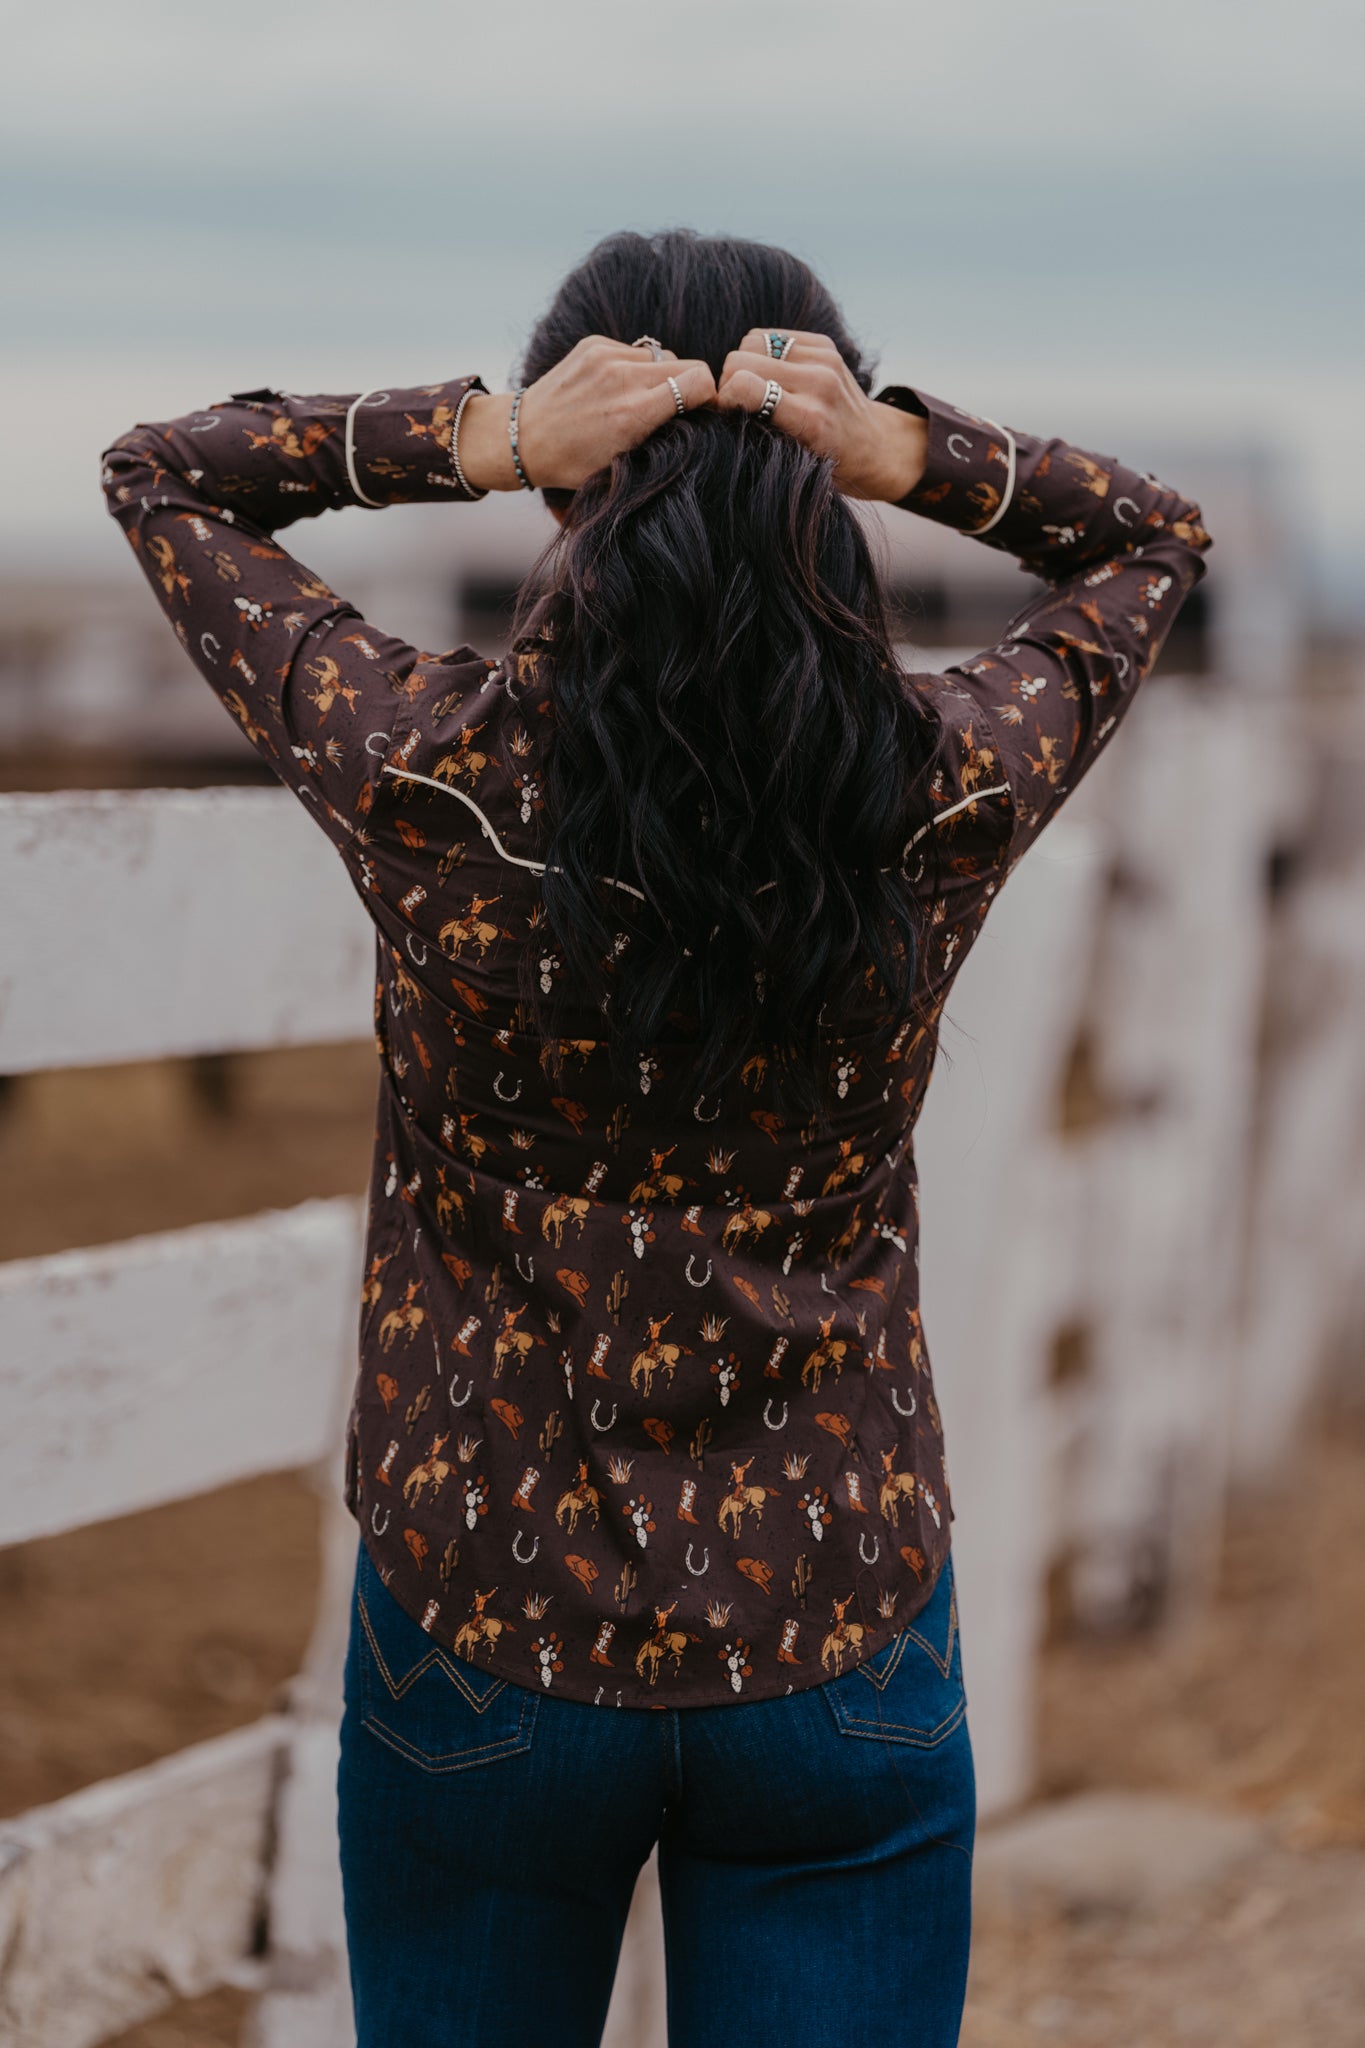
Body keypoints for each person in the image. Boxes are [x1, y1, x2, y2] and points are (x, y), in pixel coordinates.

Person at [101, 227, 1210, 2048]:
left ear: (568, 476)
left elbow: (160, 477)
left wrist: (475, 440)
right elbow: (1155, 539)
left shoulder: (430, 773)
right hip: (834, 1636)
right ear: (821, 459)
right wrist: (914, 459)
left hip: (483, 1618)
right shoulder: (941, 787)